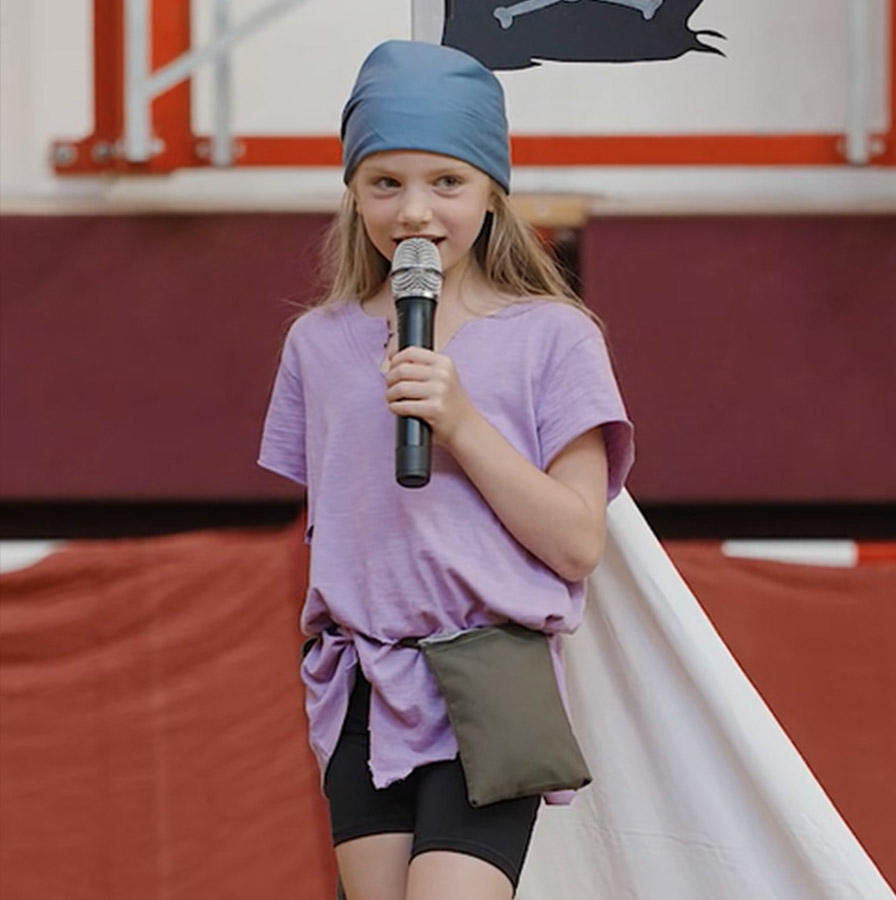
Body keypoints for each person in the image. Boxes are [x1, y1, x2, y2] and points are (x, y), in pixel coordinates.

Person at [258, 39, 634, 900]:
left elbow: (577, 544)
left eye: (447, 183)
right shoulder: (318, 343)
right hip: (361, 679)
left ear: (493, 194)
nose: (415, 211)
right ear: (351, 191)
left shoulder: (554, 336)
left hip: (489, 673)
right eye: (385, 182)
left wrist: (460, 422)